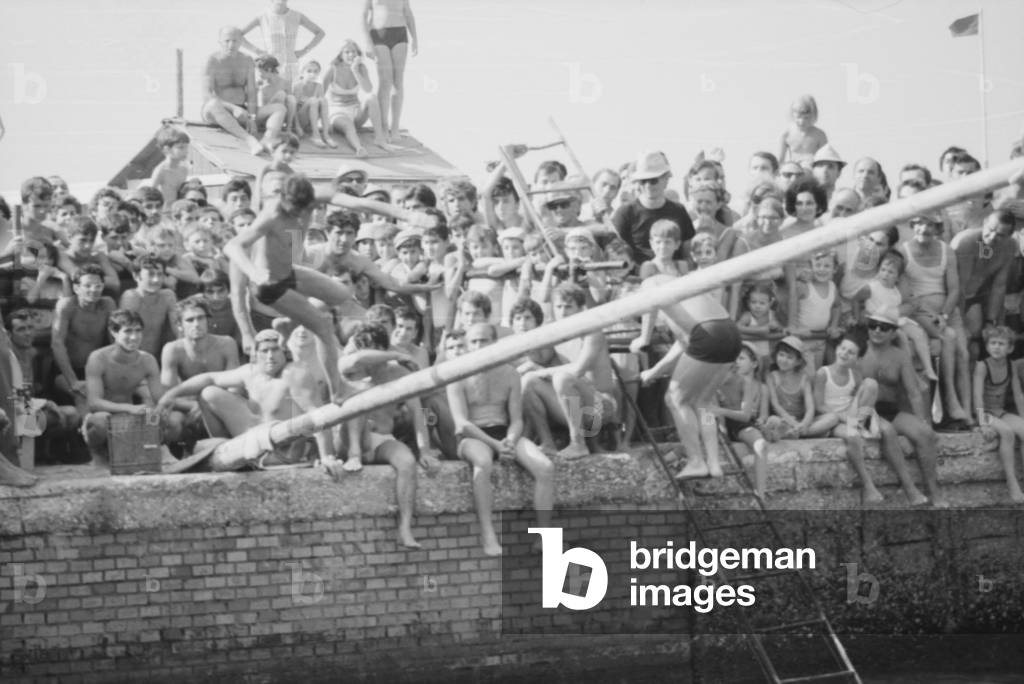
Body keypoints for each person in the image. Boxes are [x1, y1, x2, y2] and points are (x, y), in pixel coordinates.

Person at [156, 328, 334, 470]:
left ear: (284, 351)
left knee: (200, 449)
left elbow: (317, 415)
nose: (270, 356)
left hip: (282, 450)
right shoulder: (251, 372)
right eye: (265, 351)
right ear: (256, 354)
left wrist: (326, 456)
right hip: (252, 436)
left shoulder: (295, 373)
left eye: (275, 350)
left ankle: (221, 450)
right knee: (209, 393)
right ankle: (224, 446)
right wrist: (170, 395)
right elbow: (210, 378)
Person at [327, 323, 439, 547]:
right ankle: (354, 455)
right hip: (349, 441)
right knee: (358, 401)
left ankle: (405, 528)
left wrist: (424, 451)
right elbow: (357, 360)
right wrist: (397, 353)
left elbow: (419, 414)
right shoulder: (350, 369)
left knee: (407, 462)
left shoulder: (399, 374)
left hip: (382, 440)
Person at [446, 322, 554, 556]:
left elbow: (516, 418)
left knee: (545, 467)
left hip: (504, 432)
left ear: (494, 343)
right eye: (473, 341)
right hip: (472, 436)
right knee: (482, 464)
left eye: (483, 340)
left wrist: (510, 440)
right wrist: (496, 445)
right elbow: (461, 423)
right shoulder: (457, 375)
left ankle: (543, 537)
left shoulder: (510, 373)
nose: (478, 346)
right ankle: (488, 535)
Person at [637, 273, 744, 479]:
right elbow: (687, 345)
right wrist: (654, 371)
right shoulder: (684, 294)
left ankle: (696, 461)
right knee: (702, 402)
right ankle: (713, 462)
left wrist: (643, 338)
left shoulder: (651, 283)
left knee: (675, 399)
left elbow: (651, 300)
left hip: (707, 335)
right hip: (730, 333)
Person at [521, 284, 617, 459]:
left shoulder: (592, 331)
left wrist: (543, 370)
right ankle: (547, 443)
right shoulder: (555, 333)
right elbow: (533, 362)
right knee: (528, 380)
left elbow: (579, 369)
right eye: (558, 307)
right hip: (573, 409)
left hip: (600, 411)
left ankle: (578, 443)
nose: (563, 312)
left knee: (562, 379)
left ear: (580, 308)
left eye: (568, 306)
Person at [860, 307, 944, 506]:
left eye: (884, 327)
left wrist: (924, 421)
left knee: (925, 434)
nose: (877, 331)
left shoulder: (899, 356)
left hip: (890, 409)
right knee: (886, 431)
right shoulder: (858, 350)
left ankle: (933, 491)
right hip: (865, 409)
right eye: (873, 326)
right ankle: (910, 490)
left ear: (893, 332)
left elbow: (914, 392)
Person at [899, 211, 972, 426]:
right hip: (920, 312)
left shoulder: (946, 250)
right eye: (920, 223)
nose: (925, 229)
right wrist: (932, 316)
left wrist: (945, 314)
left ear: (938, 229)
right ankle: (949, 400)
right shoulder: (903, 252)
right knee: (947, 338)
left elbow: (955, 289)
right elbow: (907, 294)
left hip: (947, 312)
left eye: (931, 225)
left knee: (964, 354)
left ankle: (968, 413)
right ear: (913, 225)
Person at [804, 330, 884, 504]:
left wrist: (858, 416)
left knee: (871, 384)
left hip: (850, 416)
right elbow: (818, 406)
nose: (844, 354)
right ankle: (868, 485)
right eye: (842, 348)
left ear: (857, 358)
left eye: (851, 352)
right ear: (836, 349)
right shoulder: (823, 373)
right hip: (830, 420)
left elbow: (860, 399)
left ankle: (861, 423)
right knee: (852, 435)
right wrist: (843, 419)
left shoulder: (855, 375)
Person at [81, 310, 165, 467]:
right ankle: (98, 454)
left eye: (138, 331)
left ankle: (157, 451)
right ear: (113, 332)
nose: (134, 337)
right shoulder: (98, 358)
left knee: (169, 420)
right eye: (128, 331)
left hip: (131, 417)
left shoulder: (147, 360)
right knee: (101, 422)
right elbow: (94, 402)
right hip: (104, 416)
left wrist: (159, 410)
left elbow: (159, 398)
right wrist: (129, 408)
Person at [160, 298, 240, 446]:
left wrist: (209, 406)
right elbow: (168, 394)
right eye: (190, 320)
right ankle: (177, 455)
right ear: (179, 325)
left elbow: (234, 387)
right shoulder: (173, 349)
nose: (196, 324)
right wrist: (194, 406)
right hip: (189, 407)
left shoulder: (227, 344)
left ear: (207, 320)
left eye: (201, 318)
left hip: (219, 402)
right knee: (172, 421)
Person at [52, 265, 117, 415]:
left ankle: (141, 433)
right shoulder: (67, 306)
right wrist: (73, 381)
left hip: (96, 369)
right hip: (67, 371)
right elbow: (57, 344)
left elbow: (115, 341)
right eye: (87, 286)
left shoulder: (108, 304)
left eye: (98, 286)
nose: (93, 290)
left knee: (120, 394)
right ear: (76, 288)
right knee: (82, 396)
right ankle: (85, 435)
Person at [611, 151, 694, 266]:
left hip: (674, 277)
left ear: (666, 180)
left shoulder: (679, 211)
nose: (648, 185)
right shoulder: (624, 213)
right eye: (643, 181)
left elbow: (688, 253)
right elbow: (617, 251)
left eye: (653, 180)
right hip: (637, 278)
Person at [202, 26, 274, 156]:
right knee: (212, 104)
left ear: (241, 42)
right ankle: (250, 140)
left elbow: (251, 92)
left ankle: (268, 142)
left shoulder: (247, 60)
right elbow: (207, 94)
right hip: (217, 111)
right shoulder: (212, 60)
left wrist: (252, 118)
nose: (231, 45)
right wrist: (232, 108)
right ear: (220, 42)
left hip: (242, 110)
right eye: (227, 40)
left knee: (277, 107)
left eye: (235, 41)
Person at [973, 326, 1024, 503]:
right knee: (1007, 433)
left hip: (1000, 411)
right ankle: (1012, 483)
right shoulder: (982, 366)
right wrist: (982, 423)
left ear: (1010, 348)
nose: (996, 347)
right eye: (993, 343)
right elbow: (977, 396)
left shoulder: (1011, 365)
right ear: (987, 346)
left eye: (1001, 344)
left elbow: (1017, 394)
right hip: (984, 412)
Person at [323, 40, 391, 156]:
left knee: (371, 97)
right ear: (340, 54)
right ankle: (359, 148)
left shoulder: (361, 68)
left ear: (358, 53)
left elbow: (368, 89)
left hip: (356, 111)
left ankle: (379, 138)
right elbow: (320, 95)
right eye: (347, 52)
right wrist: (324, 124)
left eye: (353, 51)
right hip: (338, 112)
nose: (351, 55)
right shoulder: (333, 69)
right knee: (348, 126)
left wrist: (355, 70)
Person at [363, 0, 418, 143]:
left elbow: (408, 13)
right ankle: (383, 126)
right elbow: (363, 16)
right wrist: (368, 42)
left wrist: (415, 38)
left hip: (400, 33)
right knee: (385, 81)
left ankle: (395, 127)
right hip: (378, 34)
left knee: (398, 81)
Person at [238, 0, 326, 85]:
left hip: (291, 65)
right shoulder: (262, 17)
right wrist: (258, 51)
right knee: (272, 96)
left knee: (291, 97)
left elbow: (320, 33)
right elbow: (237, 36)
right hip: (270, 65)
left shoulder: (297, 16)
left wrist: (304, 50)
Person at [291, 60, 336, 148]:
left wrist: (327, 123)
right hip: (300, 120)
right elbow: (293, 108)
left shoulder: (319, 86)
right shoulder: (297, 86)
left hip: (312, 121)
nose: (312, 74)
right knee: (313, 100)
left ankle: (326, 135)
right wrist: (297, 126)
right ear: (302, 72)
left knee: (323, 100)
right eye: (309, 71)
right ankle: (315, 135)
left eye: (315, 71)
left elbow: (322, 107)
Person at [778, 94, 828, 166]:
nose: (802, 122)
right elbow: (780, 161)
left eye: (806, 118)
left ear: (813, 116)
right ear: (792, 115)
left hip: (813, 172)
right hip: (794, 173)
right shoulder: (786, 135)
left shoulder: (820, 135)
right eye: (798, 117)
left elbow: (826, 159)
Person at [149, 125, 191, 208]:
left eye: (186, 147)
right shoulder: (161, 170)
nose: (186, 151)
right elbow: (150, 193)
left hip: (178, 211)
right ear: (167, 149)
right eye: (181, 147)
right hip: (164, 211)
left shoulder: (183, 170)